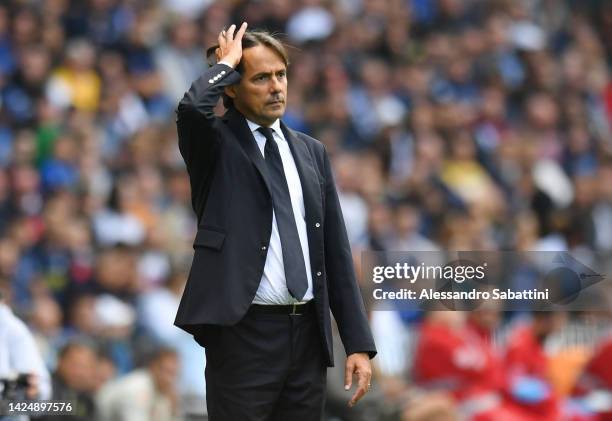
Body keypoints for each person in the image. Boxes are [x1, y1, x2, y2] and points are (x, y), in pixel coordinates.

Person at [173, 22, 376, 420]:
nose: (276, 87)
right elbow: (192, 109)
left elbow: (334, 250)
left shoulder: (311, 151)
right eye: (261, 77)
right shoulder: (215, 144)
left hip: (308, 338)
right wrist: (226, 62)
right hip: (243, 333)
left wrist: (357, 343)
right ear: (231, 86)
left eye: (281, 75)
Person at [95, 347, 182, 421]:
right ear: (153, 366)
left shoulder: (163, 393)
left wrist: (173, 410)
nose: (169, 379)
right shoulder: (137, 387)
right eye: (166, 371)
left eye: (174, 373)